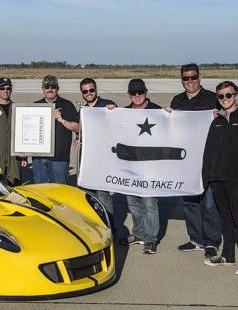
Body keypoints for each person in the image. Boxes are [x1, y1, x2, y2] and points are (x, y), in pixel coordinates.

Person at [203, 81, 238, 276]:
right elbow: (208, 152)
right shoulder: (216, 121)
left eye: (229, 95)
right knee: (225, 218)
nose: (225, 99)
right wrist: (206, 178)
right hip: (217, 179)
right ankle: (228, 255)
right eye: (221, 96)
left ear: (236, 95)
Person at [170, 63, 222, 258]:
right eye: (186, 78)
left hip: (208, 159)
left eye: (193, 77)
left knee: (208, 203)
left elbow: (227, 118)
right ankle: (196, 239)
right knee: (190, 202)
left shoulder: (211, 99)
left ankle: (212, 242)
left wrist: (220, 116)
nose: (190, 81)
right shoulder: (177, 100)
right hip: (186, 161)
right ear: (182, 80)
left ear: (199, 78)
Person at [119, 79, 161, 254]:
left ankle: (150, 238)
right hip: (131, 168)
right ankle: (138, 234)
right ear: (129, 95)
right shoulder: (124, 112)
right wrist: (110, 113)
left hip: (150, 168)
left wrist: (170, 115)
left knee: (150, 204)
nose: (137, 96)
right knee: (133, 203)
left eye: (140, 93)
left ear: (146, 92)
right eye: (133, 93)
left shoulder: (157, 111)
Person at [75, 77, 117, 229]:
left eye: (91, 90)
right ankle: (94, 229)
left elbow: (118, 125)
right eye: (85, 91)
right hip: (87, 162)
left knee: (104, 198)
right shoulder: (83, 110)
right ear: (82, 93)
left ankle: (110, 229)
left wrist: (115, 111)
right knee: (88, 199)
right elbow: (81, 132)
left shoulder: (107, 105)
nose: (89, 93)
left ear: (96, 90)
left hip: (103, 162)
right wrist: (78, 139)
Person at [32, 75, 79, 184]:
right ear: (43, 89)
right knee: (41, 193)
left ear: (57, 88)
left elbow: (78, 127)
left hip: (60, 159)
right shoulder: (35, 106)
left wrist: (62, 120)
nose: (50, 89)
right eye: (47, 86)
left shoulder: (67, 105)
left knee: (59, 192)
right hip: (39, 159)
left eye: (53, 86)